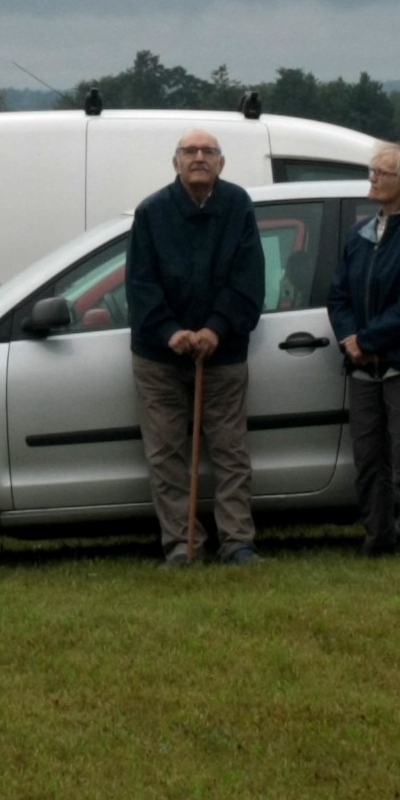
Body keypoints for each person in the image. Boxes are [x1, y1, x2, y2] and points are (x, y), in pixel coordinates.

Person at [128, 126, 265, 565]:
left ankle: (237, 542)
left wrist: (216, 328)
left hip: (222, 353)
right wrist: (170, 331)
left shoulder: (238, 206)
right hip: (159, 356)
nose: (199, 157)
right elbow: (140, 285)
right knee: (166, 455)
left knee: (230, 452)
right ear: (176, 162)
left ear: (222, 162)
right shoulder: (151, 212)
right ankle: (182, 546)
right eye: (190, 151)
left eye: (208, 151)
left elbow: (248, 279)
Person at [329, 141, 400, 555]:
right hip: (362, 365)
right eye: (372, 171)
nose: (373, 178)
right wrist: (352, 341)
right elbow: (338, 296)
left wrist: (368, 340)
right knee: (368, 460)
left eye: (383, 173)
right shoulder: (358, 234)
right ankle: (377, 538)